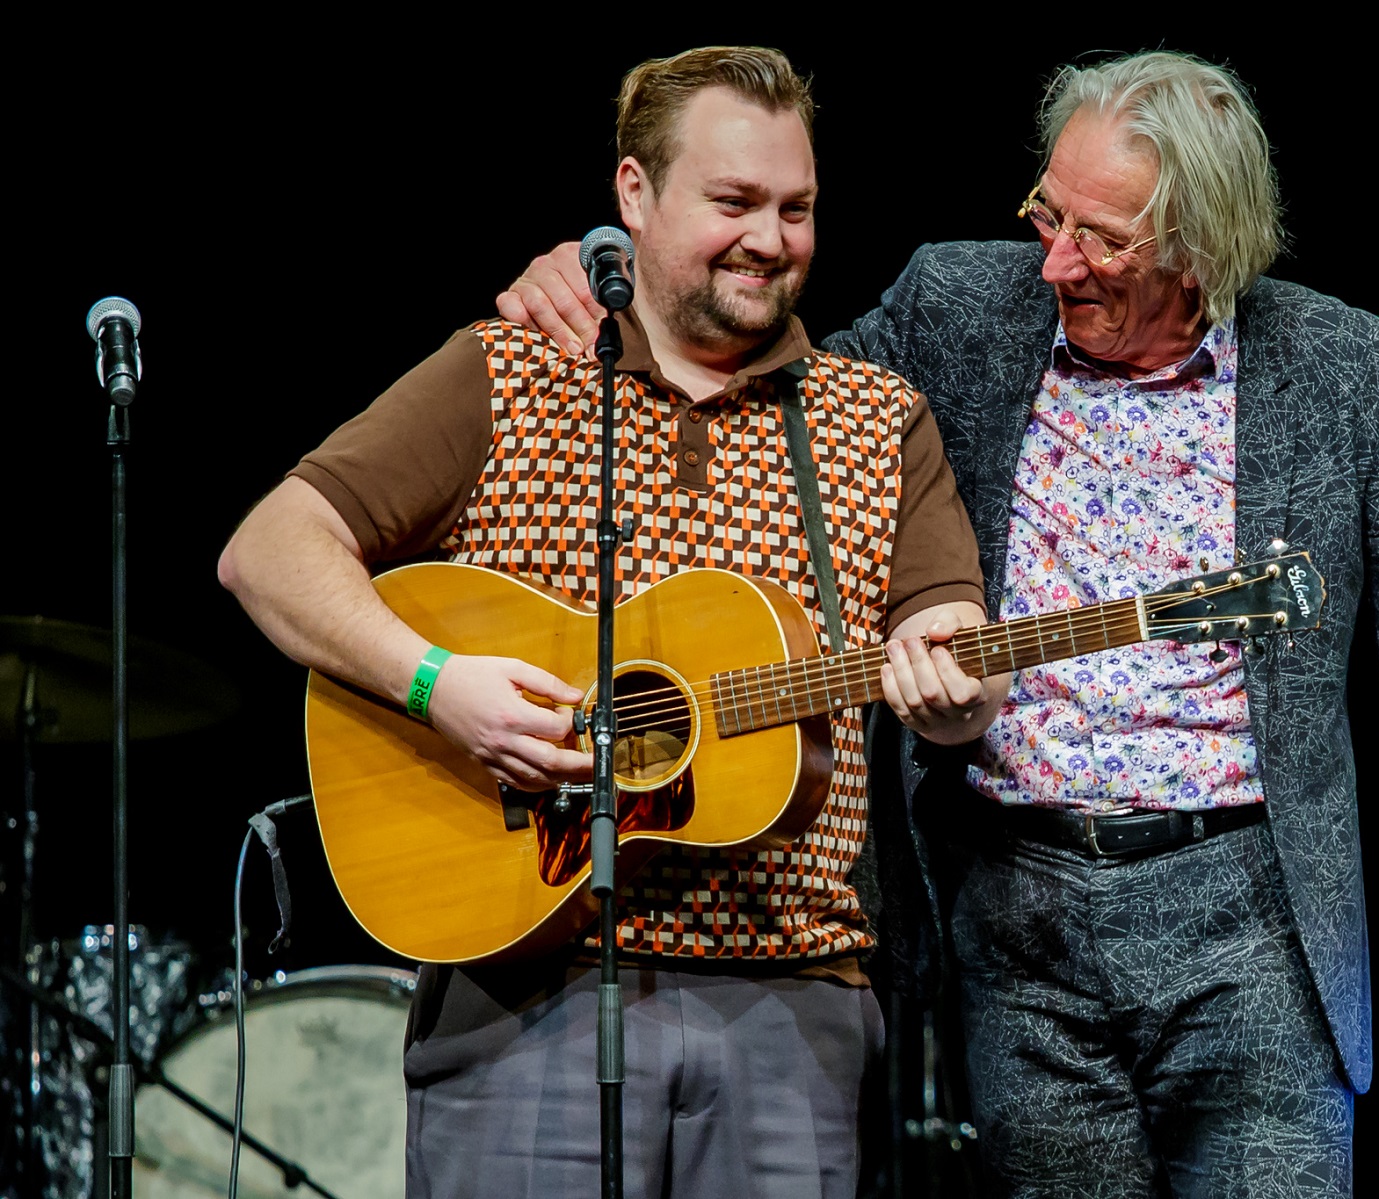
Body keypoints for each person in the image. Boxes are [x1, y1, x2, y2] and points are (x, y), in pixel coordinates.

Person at [501, 49, 1379, 1198]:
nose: (1055, 261)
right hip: (1017, 920)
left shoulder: (1354, 371)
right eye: (1048, 215)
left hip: (1254, 921)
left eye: (1101, 239)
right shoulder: (960, 304)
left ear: (1202, 247)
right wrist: (623, 288)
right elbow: (768, 415)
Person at [218, 46, 1008, 1199]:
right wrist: (435, 682)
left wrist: (958, 690)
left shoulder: (879, 419)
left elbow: (954, 647)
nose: (769, 238)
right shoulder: (509, 370)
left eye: (796, 209)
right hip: (522, 996)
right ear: (635, 192)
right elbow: (269, 550)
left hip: (789, 1019)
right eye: (734, 200)